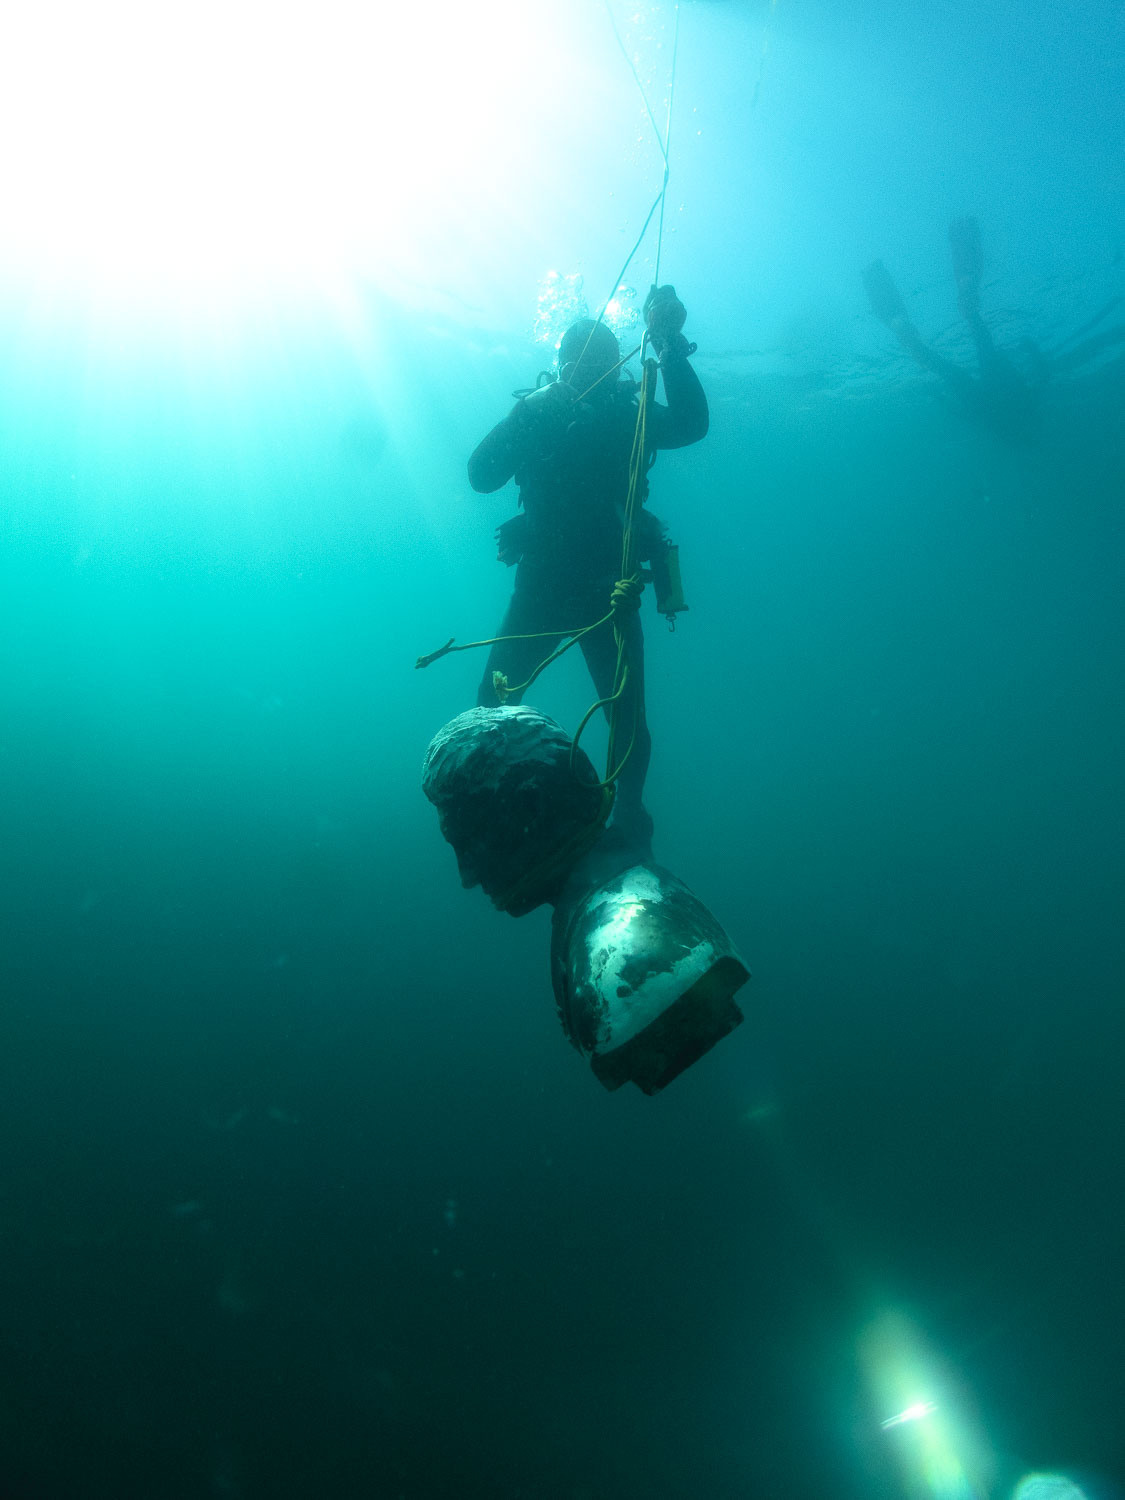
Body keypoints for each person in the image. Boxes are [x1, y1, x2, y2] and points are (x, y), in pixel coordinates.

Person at [466, 286, 708, 855]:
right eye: (577, 360)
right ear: (559, 366)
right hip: (547, 585)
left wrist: (671, 347)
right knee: (493, 700)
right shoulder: (539, 413)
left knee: (624, 713)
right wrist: (526, 410)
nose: (589, 369)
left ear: (614, 363)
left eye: (599, 358)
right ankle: (503, 807)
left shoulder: (630, 416)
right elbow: (480, 474)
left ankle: (629, 817)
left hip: (608, 586)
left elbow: (694, 425)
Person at [864, 217, 1043, 445]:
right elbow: (967, 415)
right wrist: (938, 396)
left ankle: (954, 297)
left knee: (976, 336)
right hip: (989, 402)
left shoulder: (1026, 413)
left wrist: (1032, 351)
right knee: (950, 357)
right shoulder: (1012, 423)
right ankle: (902, 324)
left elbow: (1040, 381)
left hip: (993, 398)